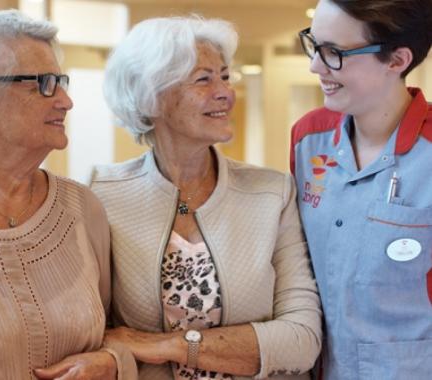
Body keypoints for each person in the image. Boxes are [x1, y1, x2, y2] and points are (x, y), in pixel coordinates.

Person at [87, 16, 322, 380]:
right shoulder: (101, 193)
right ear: (152, 97)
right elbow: (91, 333)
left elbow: (302, 339)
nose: (225, 92)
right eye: (203, 79)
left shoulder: (272, 192)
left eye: (225, 76)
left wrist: (169, 345)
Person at [0, 9, 136, 380]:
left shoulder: (82, 209)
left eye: (61, 81)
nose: (65, 101)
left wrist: (112, 363)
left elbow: (111, 333)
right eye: (42, 83)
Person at [291, 0, 432, 379]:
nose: (315, 66)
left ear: (396, 60)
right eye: (314, 45)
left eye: (334, 53)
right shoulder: (308, 139)